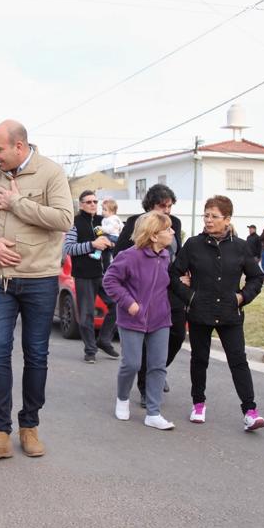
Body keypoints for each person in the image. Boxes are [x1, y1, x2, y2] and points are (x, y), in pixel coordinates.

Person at [0, 119, 73, 462]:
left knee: (36, 354)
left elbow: (63, 219)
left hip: (40, 279)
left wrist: (17, 204)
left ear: (19, 146)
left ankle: (29, 425)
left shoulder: (51, 173)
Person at [171, 195, 264, 431]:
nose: (209, 220)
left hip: (229, 313)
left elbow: (257, 276)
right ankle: (199, 404)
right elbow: (172, 275)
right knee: (199, 359)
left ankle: (250, 412)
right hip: (199, 311)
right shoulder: (193, 245)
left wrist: (242, 297)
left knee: (238, 361)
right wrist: (190, 296)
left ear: (227, 219)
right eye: (206, 215)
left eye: (214, 216)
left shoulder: (241, 246)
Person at [103, 211, 176, 430]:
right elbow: (110, 281)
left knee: (157, 366)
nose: (172, 232)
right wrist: (130, 303)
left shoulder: (165, 255)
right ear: (154, 235)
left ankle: (153, 413)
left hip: (160, 318)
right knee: (132, 363)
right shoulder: (129, 256)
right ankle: (122, 399)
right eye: (168, 229)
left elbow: (163, 283)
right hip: (132, 318)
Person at [114, 183, 184, 406]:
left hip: (169, 289)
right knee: (141, 348)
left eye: (169, 206)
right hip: (140, 292)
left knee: (178, 335)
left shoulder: (175, 224)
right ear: (150, 205)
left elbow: (177, 255)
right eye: (162, 206)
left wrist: (182, 275)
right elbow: (121, 257)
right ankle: (145, 386)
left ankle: (157, 372)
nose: (166, 210)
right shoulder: (136, 222)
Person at [63, 190, 118, 363]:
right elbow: (69, 249)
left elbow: (117, 242)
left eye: (95, 201)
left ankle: (104, 340)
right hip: (84, 275)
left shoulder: (104, 221)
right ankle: (90, 350)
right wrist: (92, 245)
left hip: (105, 274)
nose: (93, 204)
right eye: (88, 202)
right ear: (81, 204)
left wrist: (111, 243)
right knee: (86, 314)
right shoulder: (75, 223)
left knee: (117, 305)